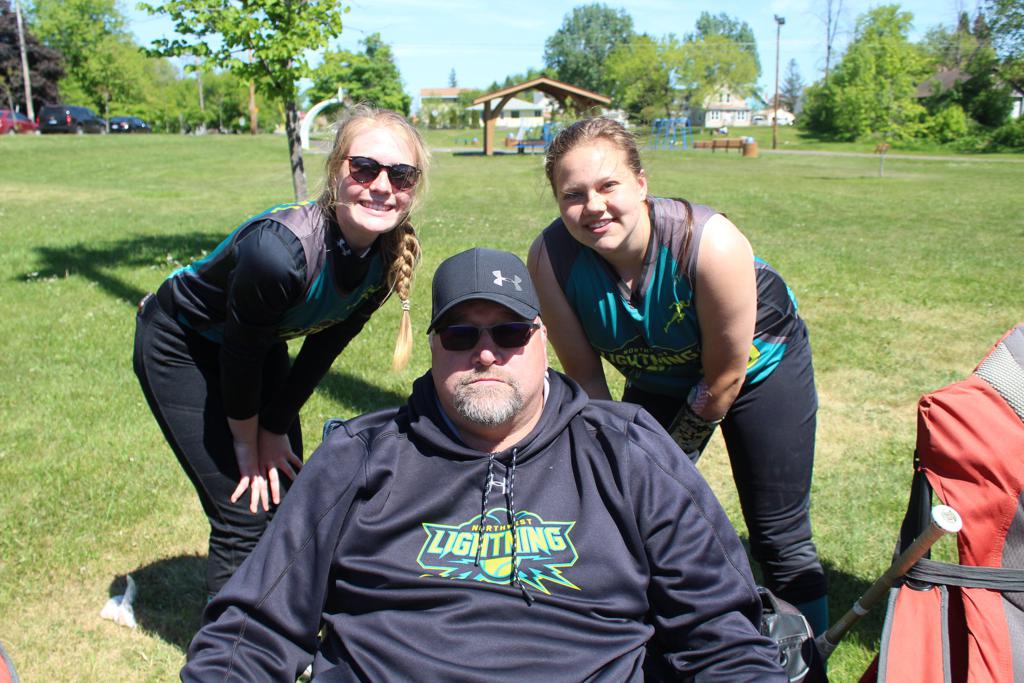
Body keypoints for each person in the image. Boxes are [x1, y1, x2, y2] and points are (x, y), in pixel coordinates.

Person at [181, 248, 786, 681]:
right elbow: (253, 628)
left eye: (510, 332)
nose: (487, 354)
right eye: (461, 336)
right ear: (434, 347)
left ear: (542, 339)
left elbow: (719, 630)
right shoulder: (360, 458)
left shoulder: (626, 450)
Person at [527, 117, 828, 635]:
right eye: (573, 194)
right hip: (659, 377)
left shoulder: (709, 242)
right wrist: (624, 465)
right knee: (627, 511)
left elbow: (724, 378)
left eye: (608, 185)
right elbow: (587, 382)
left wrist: (671, 461)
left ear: (641, 184)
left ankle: (810, 656)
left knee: (779, 534)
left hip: (756, 369)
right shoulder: (550, 259)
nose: (593, 206)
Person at [133, 104, 429, 601]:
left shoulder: (388, 255)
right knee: (243, 508)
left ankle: (281, 618)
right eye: (364, 168)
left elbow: (323, 347)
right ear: (335, 171)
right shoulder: (278, 253)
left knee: (286, 490)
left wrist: (273, 428)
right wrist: (246, 445)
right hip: (181, 343)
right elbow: (240, 353)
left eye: (400, 175)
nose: (382, 186)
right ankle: (230, 643)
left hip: (256, 344)